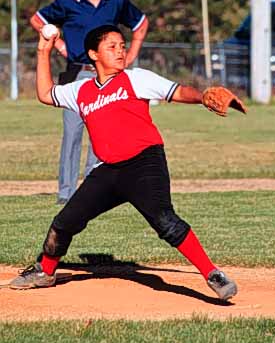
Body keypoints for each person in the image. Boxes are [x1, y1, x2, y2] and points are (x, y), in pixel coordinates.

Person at [10, 25, 240, 301]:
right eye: (112, 46)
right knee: (63, 222)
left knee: (165, 222)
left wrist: (202, 96)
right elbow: (46, 94)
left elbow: (177, 91)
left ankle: (212, 273)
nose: (121, 51)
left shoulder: (136, 78)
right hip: (107, 171)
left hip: (144, 163)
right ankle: (45, 272)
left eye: (122, 45)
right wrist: (43, 51)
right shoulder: (81, 90)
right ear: (93, 54)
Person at [30, 0, 148, 205]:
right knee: (72, 134)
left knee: (101, 135)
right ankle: (66, 194)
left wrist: (130, 57)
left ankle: (94, 191)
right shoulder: (67, 2)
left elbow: (141, 24)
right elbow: (37, 19)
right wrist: (60, 45)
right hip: (76, 74)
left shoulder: (115, 1)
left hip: (106, 77)